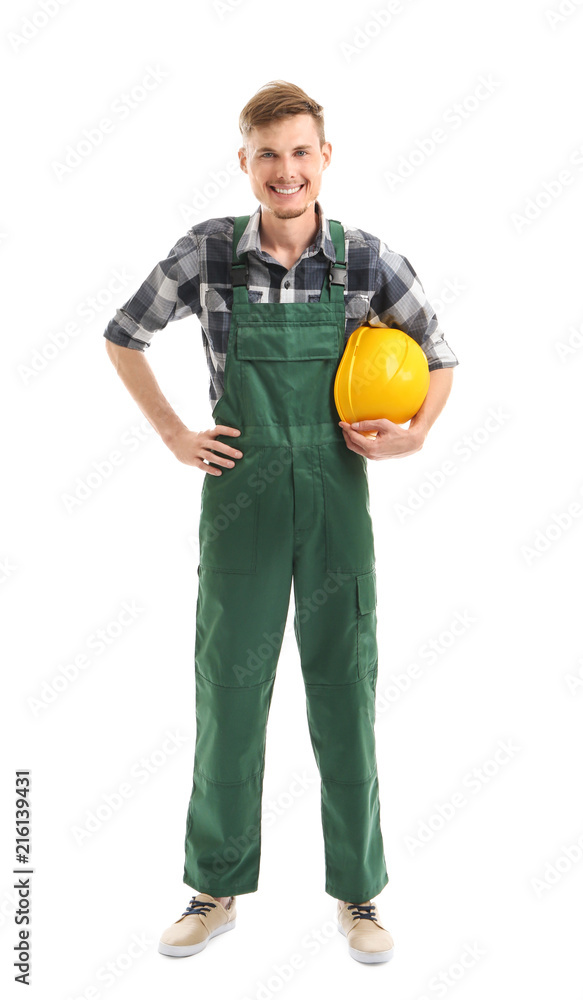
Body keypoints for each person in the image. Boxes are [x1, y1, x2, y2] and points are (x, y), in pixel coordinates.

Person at [103, 80, 459, 965]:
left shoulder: (365, 260)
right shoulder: (209, 254)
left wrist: (413, 435)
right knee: (227, 689)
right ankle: (213, 889)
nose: (285, 171)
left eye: (301, 152)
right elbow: (123, 334)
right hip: (241, 498)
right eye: (267, 155)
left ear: (324, 158)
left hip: (337, 498)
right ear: (245, 163)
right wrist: (175, 435)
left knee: (346, 687)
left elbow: (440, 354)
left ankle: (360, 896)